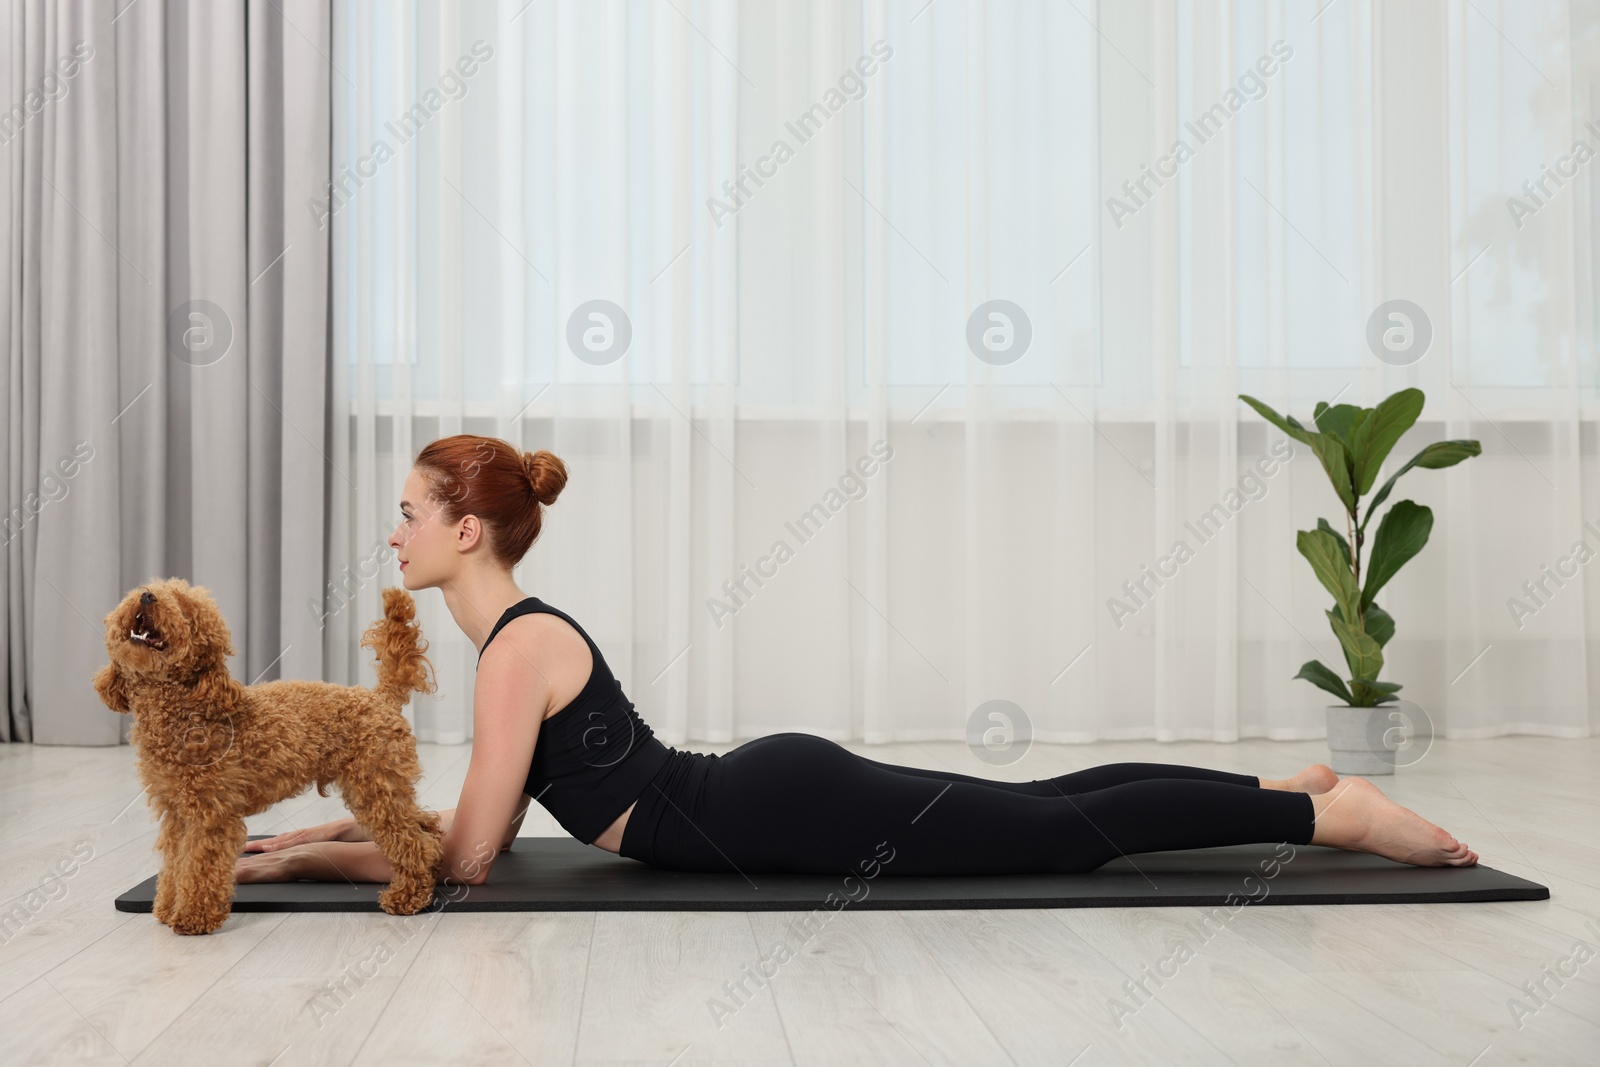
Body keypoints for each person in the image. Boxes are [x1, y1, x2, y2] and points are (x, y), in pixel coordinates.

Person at [236, 434, 1477, 888]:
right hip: (765, 792)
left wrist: (323, 862)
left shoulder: (514, 649)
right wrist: (309, 843)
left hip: (778, 802)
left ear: (466, 530)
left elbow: (466, 863)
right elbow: (484, 824)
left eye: (407, 511)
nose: (391, 532)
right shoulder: (518, 636)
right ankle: (1291, 793)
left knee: (1057, 834)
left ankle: (1339, 817)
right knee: (1044, 807)